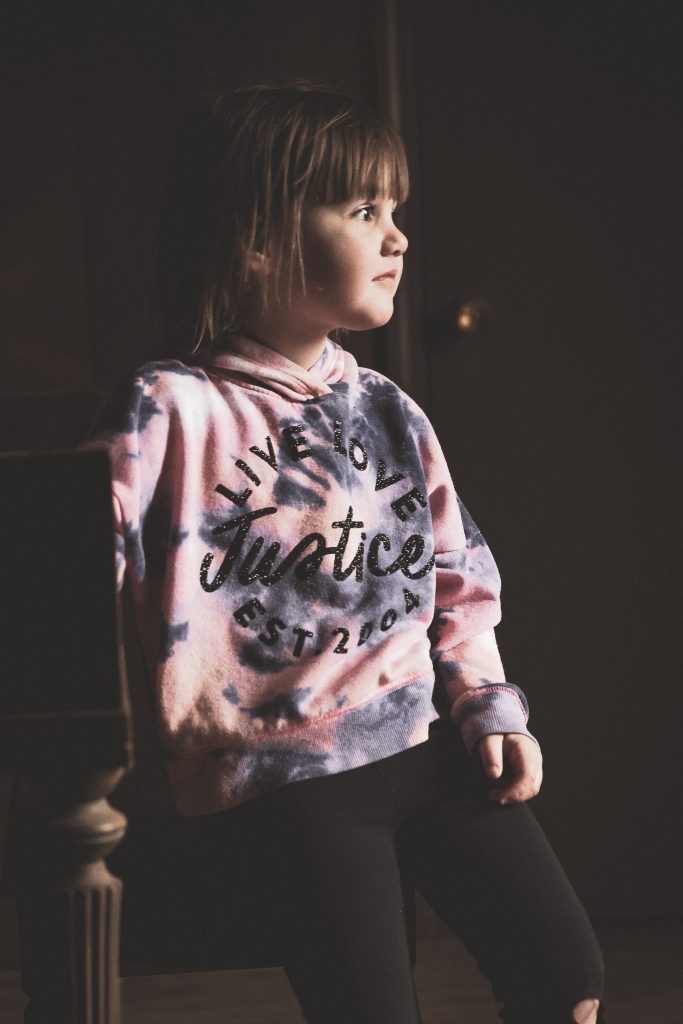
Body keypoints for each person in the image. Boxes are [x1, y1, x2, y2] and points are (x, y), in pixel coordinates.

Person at [91, 83, 605, 1023]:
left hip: (426, 736)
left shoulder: (387, 409)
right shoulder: (170, 407)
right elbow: (71, 559)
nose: (397, 237)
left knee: (566, 975)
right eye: (363, 210)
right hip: (287, 778)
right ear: (256, 238)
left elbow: (457, 579)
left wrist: (488, 706)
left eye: (393, 210)